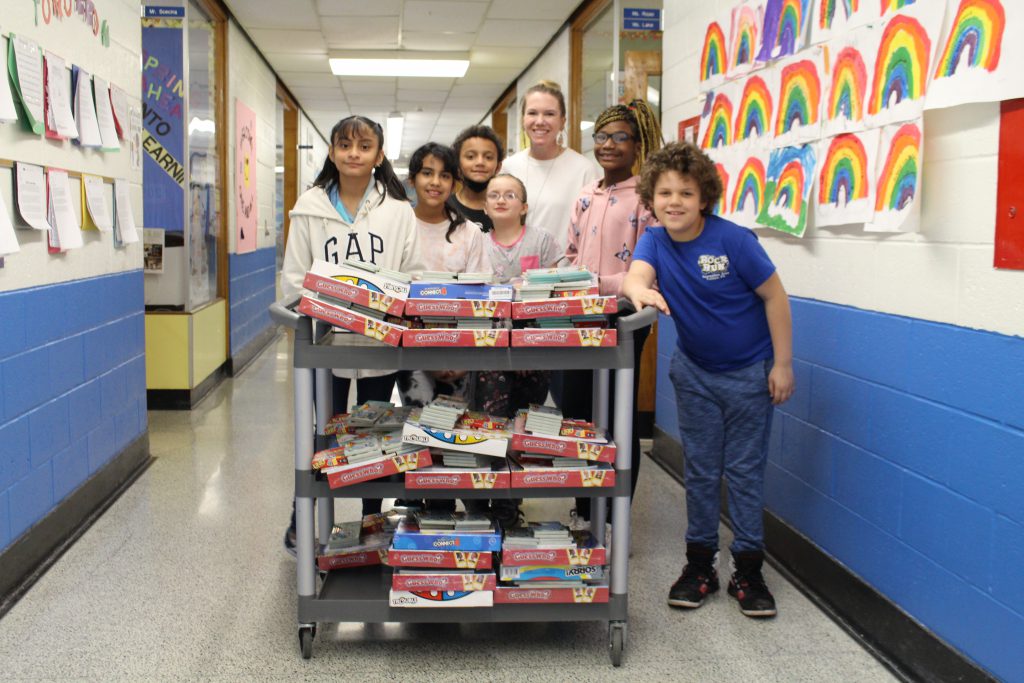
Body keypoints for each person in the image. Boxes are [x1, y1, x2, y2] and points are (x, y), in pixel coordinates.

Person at [622, 141, 795, 618]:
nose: (673, 201)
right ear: (651, 199)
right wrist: (641, 291)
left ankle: (748, 569)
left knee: (742, 472)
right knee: (699, 471)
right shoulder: (654, 239)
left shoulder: (735, 240)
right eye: (664, 193)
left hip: (750, 375)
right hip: (694, 374)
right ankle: (700, 566)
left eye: (685, 192)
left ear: (704, 198)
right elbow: (633, 278)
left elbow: (775, 299)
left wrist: (782, 364)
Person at [280, 115, 422, 556]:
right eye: (344, 145)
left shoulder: (399, 211)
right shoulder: (309, 207)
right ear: (332, 152)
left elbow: (412, 273)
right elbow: (294, 277)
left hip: (380, 344)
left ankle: (370, 518)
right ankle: (303, 513)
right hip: (327, 344)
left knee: (375, 433)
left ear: (380, 156)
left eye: (364, 146)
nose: (354, 153)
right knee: (322, 432)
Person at [553, 99, 663, 530]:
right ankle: (584, 511)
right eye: (601, 137)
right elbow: (570, 255)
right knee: (578, 414)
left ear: (639, 144)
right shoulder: (586, 195)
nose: (609, 145)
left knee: (618, 416)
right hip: (577, 319)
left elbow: (648, 273)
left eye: (620, 137)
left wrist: (600, 284)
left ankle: (616, 517)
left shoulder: (647, 199)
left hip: (622, 322)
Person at [396, 142, 489, 411]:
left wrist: (461, 359)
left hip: (458, 355)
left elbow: (479, 301)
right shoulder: (399, 229)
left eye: (445, 175)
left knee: (454, 436)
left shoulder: (469, 232)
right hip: (409, 350)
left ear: (454, 183)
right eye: (427, 173)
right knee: (419, 431)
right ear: (412, 180)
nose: (435, 182)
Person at [501, 81, 600, 252]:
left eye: (549, 114)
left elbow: (592, 231)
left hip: (565, 275)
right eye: (532, 113)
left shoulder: (583, 169)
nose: (540, 121)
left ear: (562, 122)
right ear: (523, 119)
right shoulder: (508, 167)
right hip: (515, 274)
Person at [450, 125, 505, 232]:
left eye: (488, 157)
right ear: (457, 164)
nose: (480, 162)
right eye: (470, 156)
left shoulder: (507, 209)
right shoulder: (444, 207)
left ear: (498, 166)